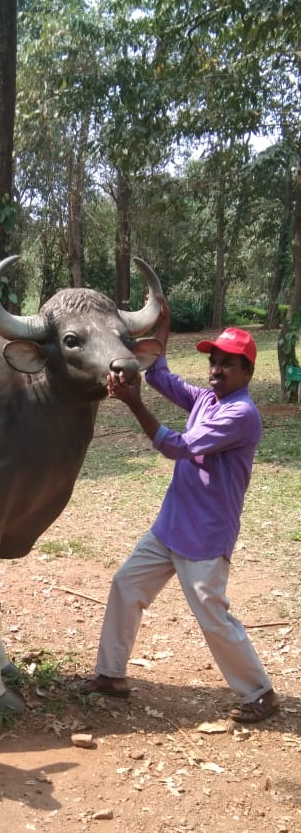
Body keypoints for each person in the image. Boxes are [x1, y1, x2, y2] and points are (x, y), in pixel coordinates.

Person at [78, 298, 278, 724]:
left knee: (212, 616)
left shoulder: (241, 414)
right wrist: (162, 329)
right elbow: (160, 375)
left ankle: (259, 693)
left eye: (228, 364)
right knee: (126, 584)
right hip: (171, 526)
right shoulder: (208, 401)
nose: (217, 370)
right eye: (214, 362)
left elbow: (177, 446)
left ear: (247, 373)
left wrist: (133, 403)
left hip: (206, 535)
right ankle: (111, 675)